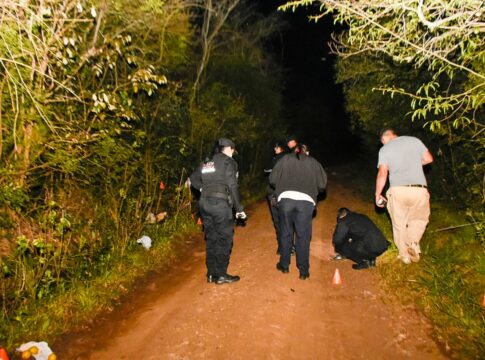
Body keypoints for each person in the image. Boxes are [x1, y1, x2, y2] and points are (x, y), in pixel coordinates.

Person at [189, 138, 246, 284]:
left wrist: (203, 189)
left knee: (211, 238)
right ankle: (220, 274)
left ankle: (210, 273)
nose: (233, 154)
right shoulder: (229, 162)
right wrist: (238, 209)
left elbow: (193, 179)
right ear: (229, 149)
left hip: (204, 204)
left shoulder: (207, 161)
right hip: (220, 204)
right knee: (224, 239)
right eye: (233, 151)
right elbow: (233, 185)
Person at [375, 128, 433, 264]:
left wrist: (378, 193)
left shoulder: (385, 149)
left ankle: (404, 255)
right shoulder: (415, 141)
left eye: (383, 142)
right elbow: (429, 159)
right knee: (419, 219)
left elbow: (382, 173)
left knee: (399, 223)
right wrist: (413, 165)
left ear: (384, 139)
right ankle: (413, 243)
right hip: (419, 190)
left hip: (398, 190)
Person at [269, 145, 327, 279]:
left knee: (286, 232)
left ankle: (284, 265)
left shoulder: (284, 160)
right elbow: (322, 185)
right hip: (305, 202)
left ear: (294, 151)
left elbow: (272, 179)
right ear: (307, 152)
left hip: (286, 200)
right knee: (303, 236)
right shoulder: (313, 162)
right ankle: (303, 271)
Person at [264, 141, 287, 254]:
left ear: (280, 148)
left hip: (275, 193)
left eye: (276, 147)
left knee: (278, 220)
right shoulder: (291, 158)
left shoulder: (275, 159)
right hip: (288, 193)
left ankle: (282, 246)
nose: (274, 149)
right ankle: (290, 245)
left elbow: (267, 170)